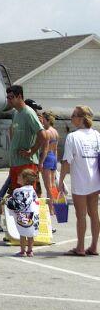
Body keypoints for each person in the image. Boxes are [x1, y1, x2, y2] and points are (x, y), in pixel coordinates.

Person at [58, 105, 100, 256]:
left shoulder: (73, 137)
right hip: (95, 180)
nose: (72, 118)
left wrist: (60, 180)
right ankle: (94, 246)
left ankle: (80, 247)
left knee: (81, 214)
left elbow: (66, 162)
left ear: (81, 118)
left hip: (80, 181)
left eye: (74, 115)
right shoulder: (96, 135)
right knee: (94, 213)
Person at [5, 86, 47, 193]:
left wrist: (31, 151)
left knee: (27, 198)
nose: (9, 100)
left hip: (27, 164)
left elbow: (43, 135)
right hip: (15, 163)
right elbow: (12, 131)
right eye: (8, 97)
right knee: (17, 198)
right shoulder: (15, 113)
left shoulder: (28, 113)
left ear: (19, 96)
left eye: (11, 97)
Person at [6, 169, 40, 257]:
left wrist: (8, 201)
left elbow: (15, 203)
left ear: (25, 179)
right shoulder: (32, 190)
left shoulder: (18, 191)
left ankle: (22, 251)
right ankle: (30, 251)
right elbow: (36, 201)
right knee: (30, 233)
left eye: (20, 176)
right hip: (33, 213)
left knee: (23, 233)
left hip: (23, 214)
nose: (18, 177)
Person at [39, 110, 59, 216]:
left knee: (48, 186)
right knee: (53, 185)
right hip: (54, 158)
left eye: (43, 119)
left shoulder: (46, 132)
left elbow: (45, 149)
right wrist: (56, 160)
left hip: (47, 158)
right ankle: (55, 207)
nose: (42, 121)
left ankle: (51, 209)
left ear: (47, 120)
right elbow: (56, 149)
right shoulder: (55, 131)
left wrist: (41, 162)